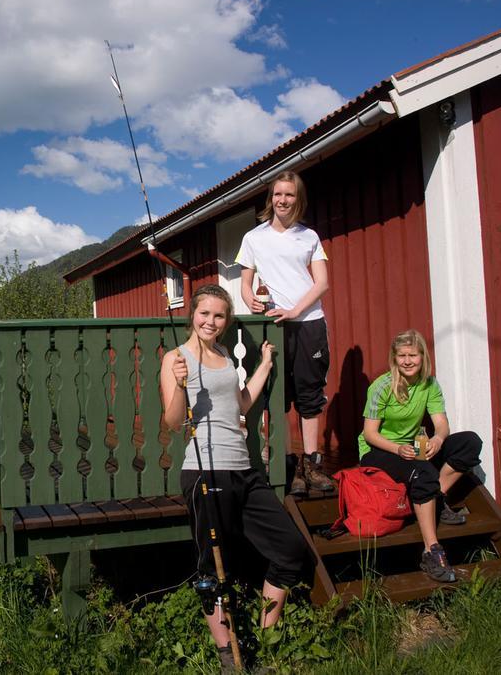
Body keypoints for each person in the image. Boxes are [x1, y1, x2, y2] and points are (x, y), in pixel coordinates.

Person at [160, 284, 308, 672]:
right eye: (204, 313)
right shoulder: (176, 359)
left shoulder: (225, 355)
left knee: (290, 550)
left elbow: (241, 403)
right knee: (212, 569)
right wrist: (179, 384)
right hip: (204, 471)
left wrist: (264, 366)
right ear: (192, 314)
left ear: (227, 321)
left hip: (243, 470)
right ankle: (230, 656)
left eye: (219, 315)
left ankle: (263, 640)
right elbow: (173, 422)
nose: (211, 321)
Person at [358, 329, 482, 583]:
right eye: (401, 355)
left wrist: (438, 439)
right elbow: (369, 433)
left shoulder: (429, 384)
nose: (407, 361)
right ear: (394, 358)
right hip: (378, 450)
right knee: (423, 471)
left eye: (412, 355)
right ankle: (431, 550)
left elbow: (441, 423)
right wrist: (397, 449)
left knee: (470, 442)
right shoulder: (381, 386)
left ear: (422, 356)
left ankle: (437, 496)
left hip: (412, 447)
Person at [237, 170, 333, 497]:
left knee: (309, 396)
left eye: (289, 195)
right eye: (278, 194)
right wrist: (249, 299)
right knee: (277, 396)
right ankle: (288, 465)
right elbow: (246, 283)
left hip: (309, 325)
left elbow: (322, 283)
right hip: (274, 326)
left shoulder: (310, 237)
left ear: (298, 199)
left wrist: (295, 310)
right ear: (271, 198)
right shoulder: (253, 238)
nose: (283, 200)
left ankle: (312, 465)